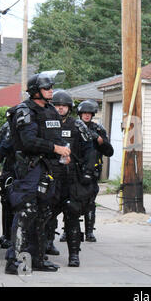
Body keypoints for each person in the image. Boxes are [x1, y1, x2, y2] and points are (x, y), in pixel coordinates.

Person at [4, 70, 71, 275]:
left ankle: (38, 258)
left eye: (51, 87)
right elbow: (28, 141)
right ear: (35, 91)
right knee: (26, 211)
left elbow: (56, 136)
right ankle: (13, 261)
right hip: (29, 168)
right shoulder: (24, 111)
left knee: (43, 214)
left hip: (48, 169)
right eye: (46, 88)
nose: (51, 91)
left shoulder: (50, 111)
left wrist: (64, 152)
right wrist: (54, 149)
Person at [46, 90, 94, 267]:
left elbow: (90, 150)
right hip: (51, 176)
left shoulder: (78, 125)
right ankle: (46, 246)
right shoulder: (46, 124)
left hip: (71, 178)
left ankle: (74, 254)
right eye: (57, 104)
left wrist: (88, 172)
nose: (60, 107)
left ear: (69, 108)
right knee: (47, 214)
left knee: (72, 215)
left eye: (64, 105)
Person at [75, 100, 113, 242]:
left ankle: (89, 232)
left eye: (89, 113)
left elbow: (109, 151)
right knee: (71, 201)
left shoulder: (98, 129)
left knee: (90, 202)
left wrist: (100, 140)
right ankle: (69, 231)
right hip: (74, 169)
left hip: (92, 170)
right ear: (80, 114)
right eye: (84, 113)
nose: (86, 115)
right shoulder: (74, 127)